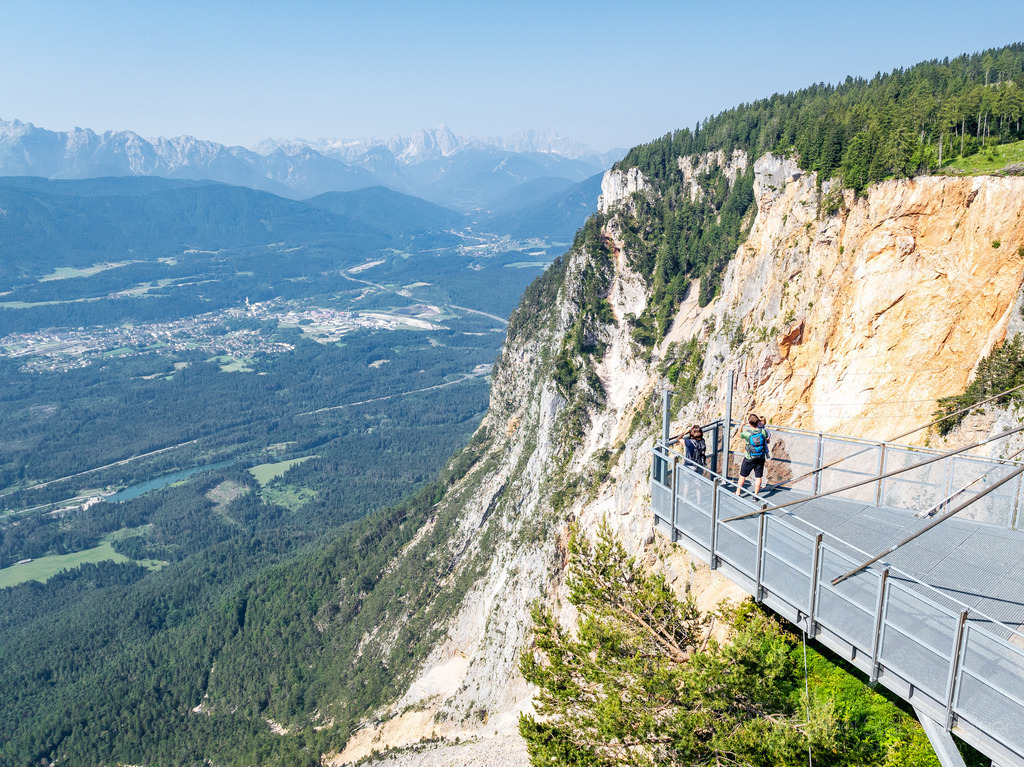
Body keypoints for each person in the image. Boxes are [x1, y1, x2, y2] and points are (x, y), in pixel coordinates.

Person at [735, 414, 769, 496]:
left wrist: (741, 425)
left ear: (749, 423)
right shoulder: (763, 431)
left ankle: (738, 492)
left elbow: (739, 434)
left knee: (742, 475)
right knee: (758, 477)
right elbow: (767, 438)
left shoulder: (747, 433)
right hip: (760, 457)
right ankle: (755, 496)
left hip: (749, 457)